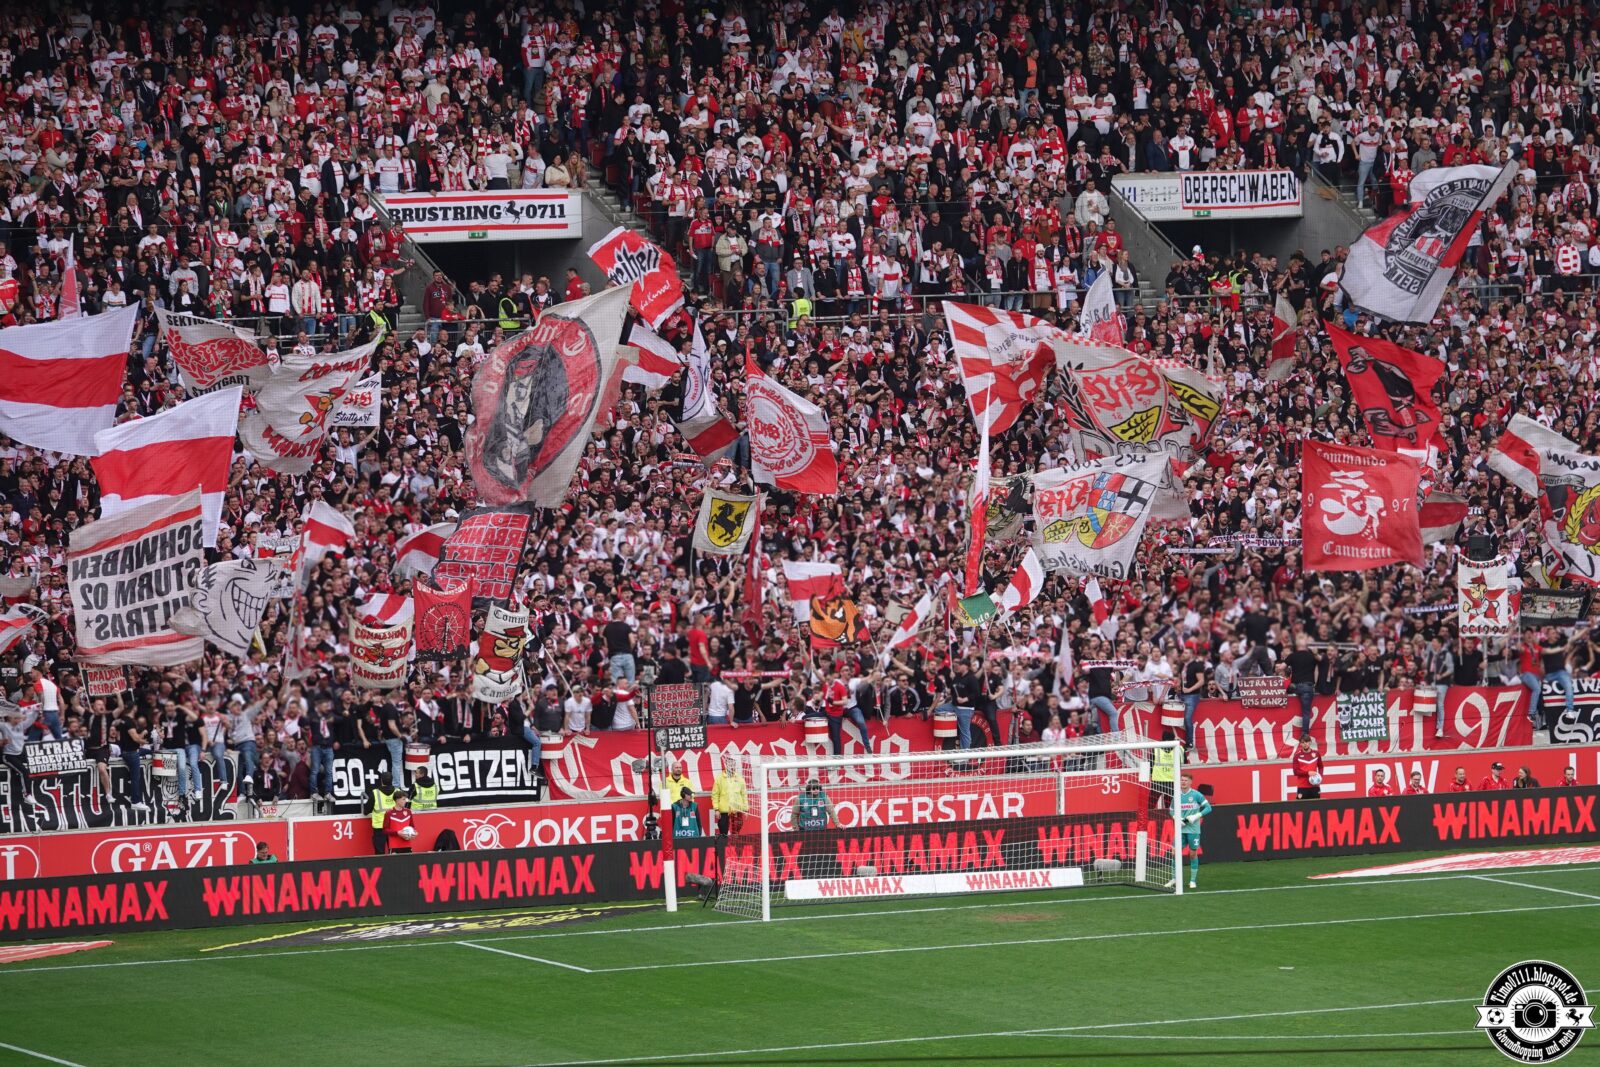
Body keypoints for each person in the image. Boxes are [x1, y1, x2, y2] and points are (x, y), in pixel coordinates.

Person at [1175, 773, 1212, 890]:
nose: (1183, 782)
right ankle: (1174, 878)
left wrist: (1196, 816)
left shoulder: (1196, 795)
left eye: (1186, 780)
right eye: (1181, 780)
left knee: (1192, 854)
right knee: (1174, 852)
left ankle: (1192, 880)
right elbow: (1171, 810)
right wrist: (1177, 818)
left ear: (1190, 782)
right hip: (1180, 829)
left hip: (1193, 829)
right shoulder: (1176, 795)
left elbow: (1208, 808)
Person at [711, 757, 748, 836]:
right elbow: (715, 795)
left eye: (733, 764)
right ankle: (724, 846)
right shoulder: (719, 779)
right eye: (729, 764)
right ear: (725, 765)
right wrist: (716, 809)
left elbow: (744, 794)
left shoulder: (740, 778)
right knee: (723, 831)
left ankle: (735, 845)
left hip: (737, 810)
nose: (731, 766)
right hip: (724, 811)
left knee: (737, 831)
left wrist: (745, 809)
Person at [366, 771, 397, 855]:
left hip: (380, 828)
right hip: (394, 827)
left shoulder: (375, 793)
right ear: (392, 780)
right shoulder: (397, 792)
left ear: (381, 780)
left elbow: (366, 810)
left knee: (380, 854)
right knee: (395, 853)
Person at [1288, 735, 1324, 799]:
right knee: (1301, 807)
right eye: (1303, 742)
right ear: (1300, 744)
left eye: (1307, 742)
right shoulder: (1297, 756)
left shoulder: (1316, 754)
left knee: (1316, 807)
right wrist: (1308, 773)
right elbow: (1295, 772)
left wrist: (1320, 776)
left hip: (1315, 786)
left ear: (1310, 742)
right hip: (1302, 786)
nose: (1305, 744)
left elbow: (1321, 766)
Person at [383, 789, 418, 854]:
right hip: (394, 846)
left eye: (405, 799)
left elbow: (412, 826)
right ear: (397, 800)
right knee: (395, 864)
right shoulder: (389, 813)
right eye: (403, 799)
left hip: (407, 845)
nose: (405, 801)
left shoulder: (408, 811)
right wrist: (397, 833)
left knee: (409, 864)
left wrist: (414, 833)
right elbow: (385, 830)